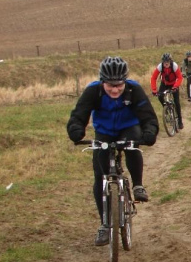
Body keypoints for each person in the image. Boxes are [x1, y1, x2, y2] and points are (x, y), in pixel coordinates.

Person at [67, 57, 159, 246]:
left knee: (132, 146)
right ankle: (104, 224)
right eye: (110, 85)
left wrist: (149, 132)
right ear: (102, 81)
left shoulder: (134, 90)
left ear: (125, 81)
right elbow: (79, 114)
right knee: (100, 177)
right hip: (105, 131)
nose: (115, 89)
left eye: (119, 85)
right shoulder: (93, 91)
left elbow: (148, 116)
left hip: (128, 127)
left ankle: (138, 185)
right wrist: (76, 130)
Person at [151, 52, 184, 129]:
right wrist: (154, 90)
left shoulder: (174, 66)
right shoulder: (160, 66)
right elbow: (153, 78)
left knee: (176, 102)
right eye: (164, 62)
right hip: (164, 84)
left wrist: (175, 86)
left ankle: (180, 121)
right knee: (160, 97)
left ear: (170, 61)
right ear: (163, 62)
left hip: (173, 84)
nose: (166, 63)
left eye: (168, 61)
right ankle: (166, 109)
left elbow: (180, 77)